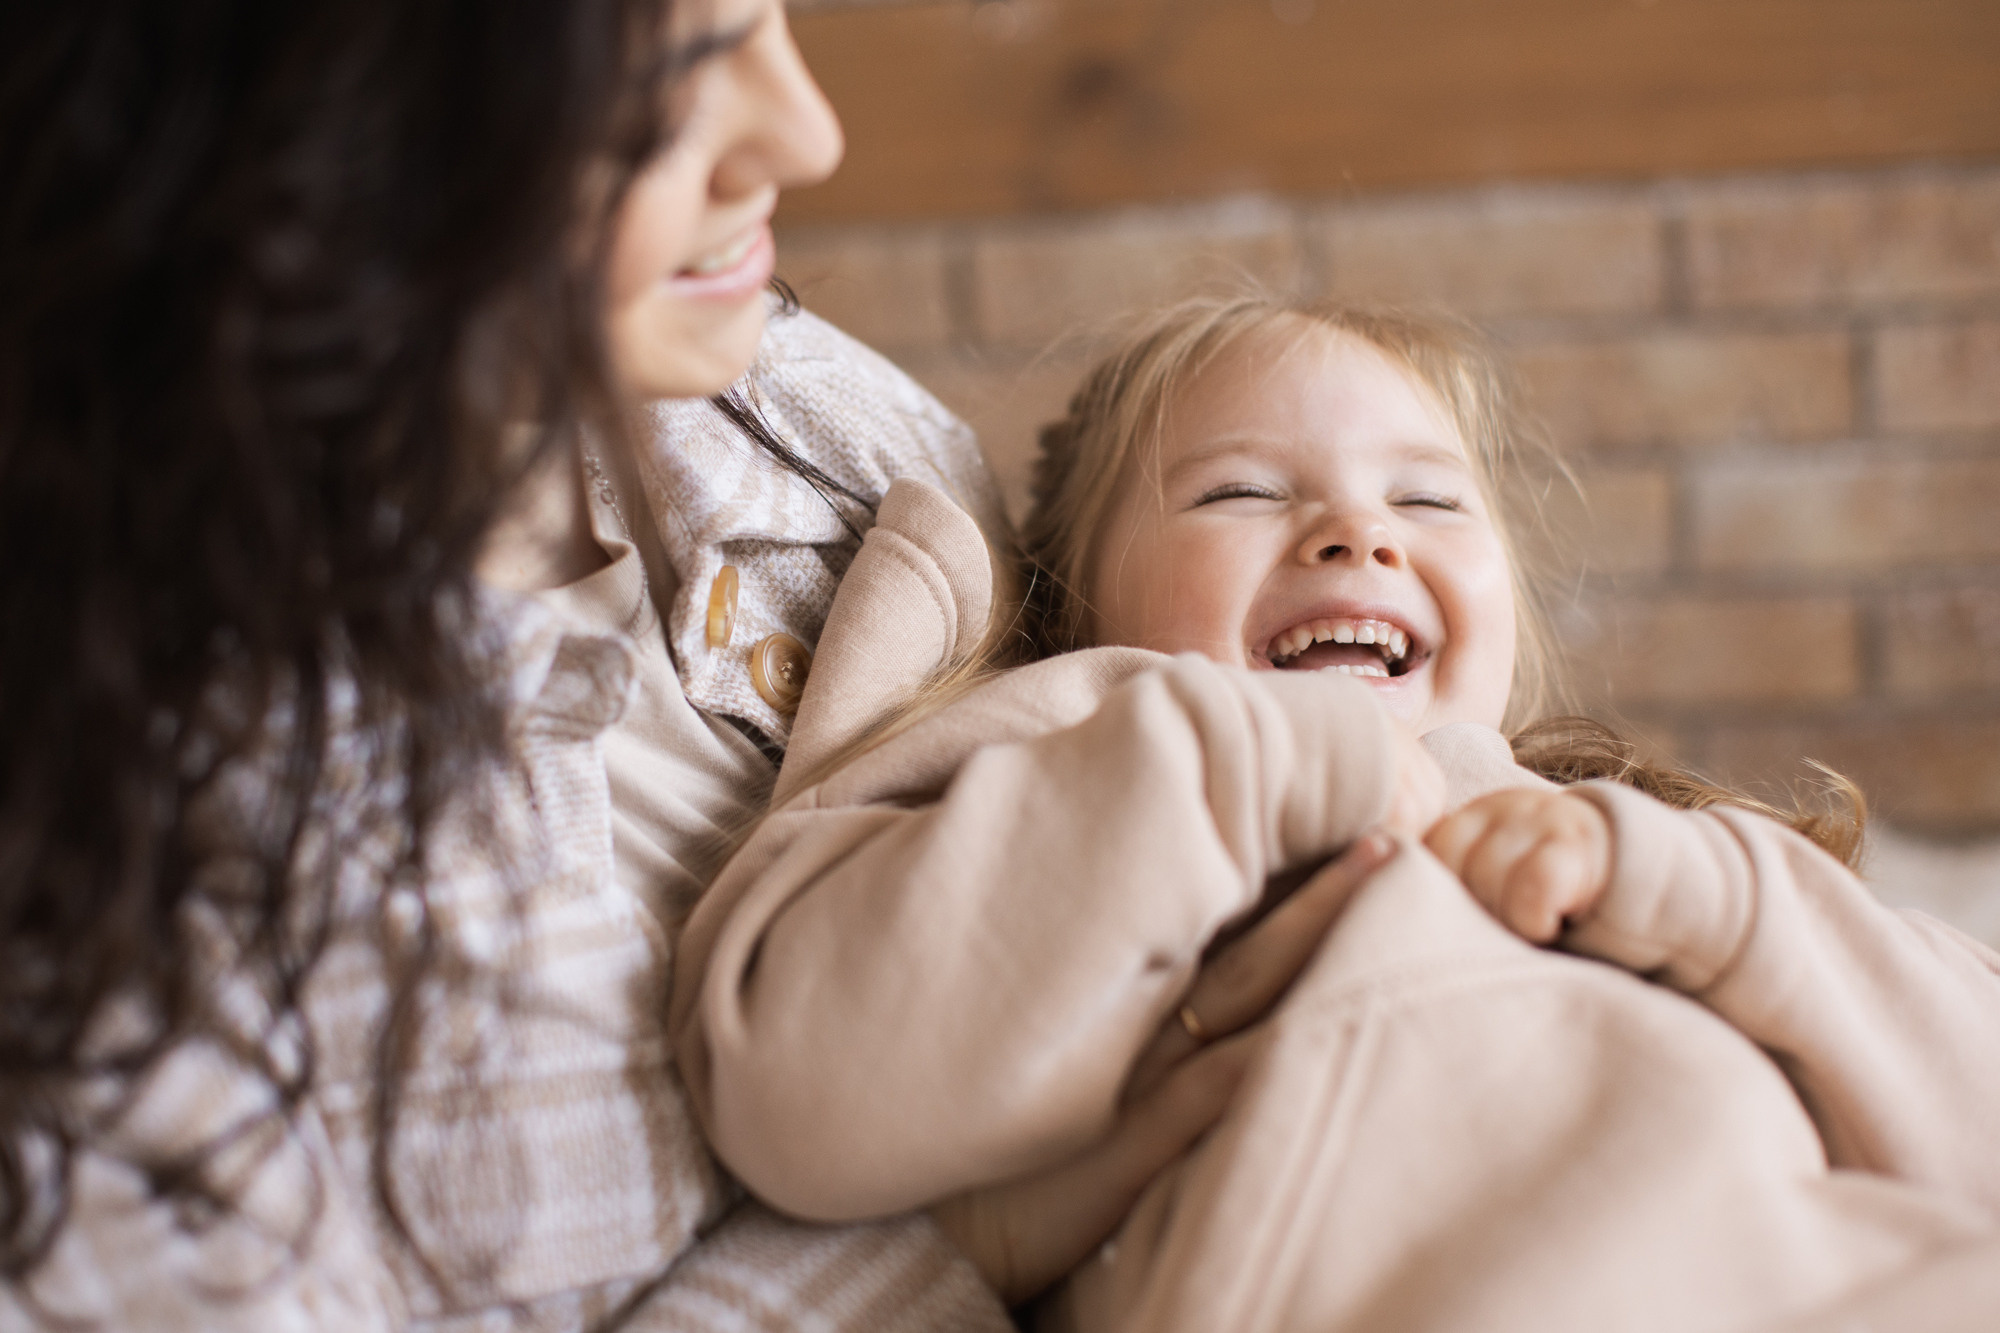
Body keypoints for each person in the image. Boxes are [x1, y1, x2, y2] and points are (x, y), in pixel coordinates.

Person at [0, 1, 1251, 1327]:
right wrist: (956, 1247)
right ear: (331, 133)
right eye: (664, 91)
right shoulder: (116, 900)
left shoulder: (822, 424)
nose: (808, 132)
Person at [670, 295, 2000, 1328]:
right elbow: (798, 1091)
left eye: (1425, 497)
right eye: (1242, 491)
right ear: (1076, 604)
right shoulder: (1072, 760)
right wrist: (1232, 754)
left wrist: (1717, 898)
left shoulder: (1607, 833)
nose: (1359, 533)